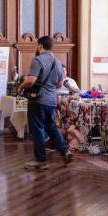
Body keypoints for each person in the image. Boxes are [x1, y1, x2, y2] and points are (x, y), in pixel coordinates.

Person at [18, 36, 73, 170]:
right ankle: (65, 151)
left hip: (38, 100)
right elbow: (59, 84)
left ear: (40, 46)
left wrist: (20, 87)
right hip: (51, 101)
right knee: (51, 126)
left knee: (37, 129)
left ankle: (41, 160)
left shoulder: (38, 60)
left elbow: (31, 81)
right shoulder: (58, 62)